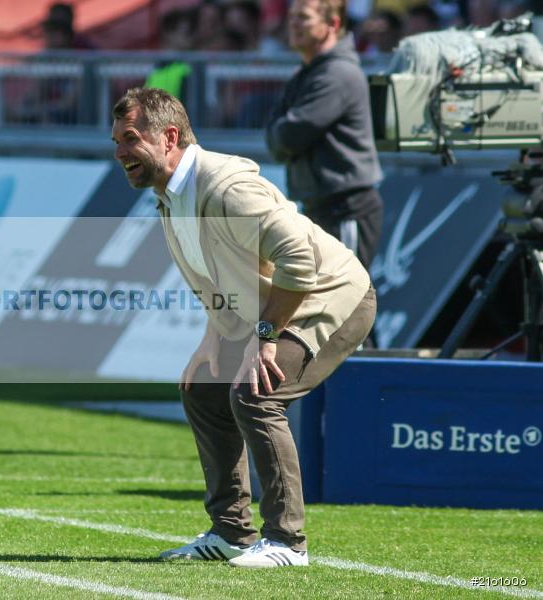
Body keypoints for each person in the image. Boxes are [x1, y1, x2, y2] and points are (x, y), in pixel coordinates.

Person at [110, 87, 376, 567]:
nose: (121, 153)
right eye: (116, 143)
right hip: (280, 304)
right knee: (203, 387)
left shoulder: (228, 187)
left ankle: (287, 543)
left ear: (169, 137)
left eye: (130, 139)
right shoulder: (169, 195)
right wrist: (213, 337)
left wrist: (266, 340)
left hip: (333, 298)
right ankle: (231, 533)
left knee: (255, 392)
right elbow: (215, 277)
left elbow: (299, 261)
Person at [266, 0, 384, 270]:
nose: (293, 24)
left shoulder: (337, 74)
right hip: (319, 207)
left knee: (343, 303)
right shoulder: (306, 74)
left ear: (333, 24)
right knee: (320, 305)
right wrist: (279, 132)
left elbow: (288, 136)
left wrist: (280, 132)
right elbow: (275, 133)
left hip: (346, 210)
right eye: (292, 16)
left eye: (304, 18)